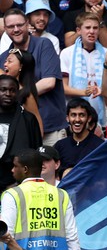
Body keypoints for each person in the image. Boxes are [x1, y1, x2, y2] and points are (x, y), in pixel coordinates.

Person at [1, 149, 81, 250]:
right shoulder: (61, 195)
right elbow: (72, 238)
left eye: (15, 166)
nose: (12, 170)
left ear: (25, 169)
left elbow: (6, 235)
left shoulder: (12, 195)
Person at [0, 8, 67, 146]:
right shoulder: (4, 57)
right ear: (5, 29)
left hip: (51, 127)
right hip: (19, 132)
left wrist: (18, 95)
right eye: (11, 26)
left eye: (20, 25)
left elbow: (49, 82)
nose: (16, 29)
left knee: (54, 167)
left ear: (27, 24)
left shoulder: (43, 44)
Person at [60, 12, 107, 128]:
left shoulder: (106, 53)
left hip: (102, 114)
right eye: (87, 27)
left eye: (95, 28)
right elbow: (63, 87)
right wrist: (84, 92)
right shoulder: (67, 53)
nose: (91, 31)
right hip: (75, 115)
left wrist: (102, 89)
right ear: (78, 30)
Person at [0, 75, 42, 193]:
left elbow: (36, 153)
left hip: (18, 185)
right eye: (3, 89)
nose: (8, 93)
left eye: (12, 90)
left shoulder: (28, 119)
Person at [54, 98, 104, 177]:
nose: (77, 119)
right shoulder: (60, 145)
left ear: (89, 118)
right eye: (73, 115)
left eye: (82, 115)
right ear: (67, 118)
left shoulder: (99, 146)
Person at [3, 48, 43, 136]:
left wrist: (36, 147)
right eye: (5, 61)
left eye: (9, 61)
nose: (5, 64)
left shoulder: (26, 95)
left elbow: (37, 123)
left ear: (21, 66)